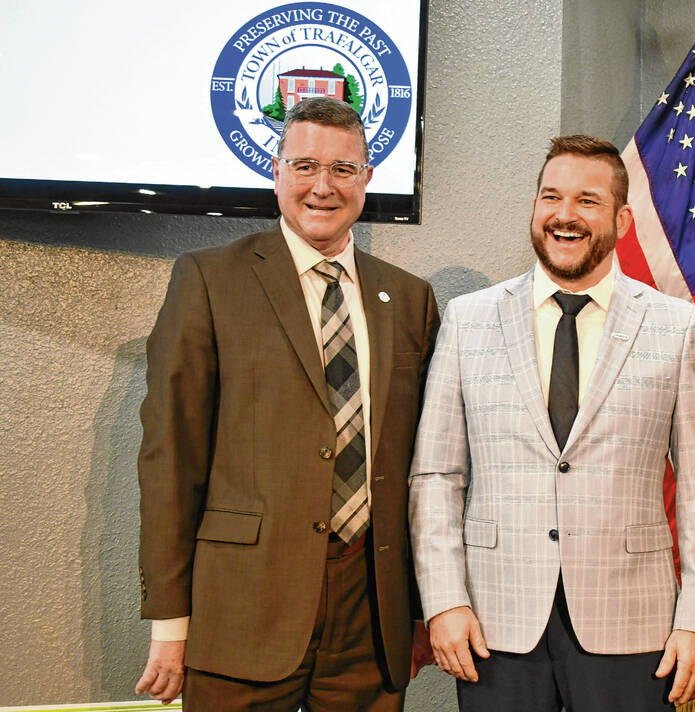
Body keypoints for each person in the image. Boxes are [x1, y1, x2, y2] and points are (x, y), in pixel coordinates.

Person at [407, 135, 695, 712]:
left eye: (587, 201)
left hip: (635, 626)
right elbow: (436, 476)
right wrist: (443, 601)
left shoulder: (676, 328)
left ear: (622, 220)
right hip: (492, 620)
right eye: (550, 197)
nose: (564, 215)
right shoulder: (468, 320)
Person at [134, 96, 439, 711]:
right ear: (276, 173)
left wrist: (422, 607)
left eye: (342, 169)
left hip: (369, 616)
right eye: (304, 166)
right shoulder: (209, 280)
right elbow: (172, 458)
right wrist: (170, 623)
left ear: (367, 179)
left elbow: (425, 470)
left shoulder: (409, 300)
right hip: (242, 610)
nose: (322, 186)